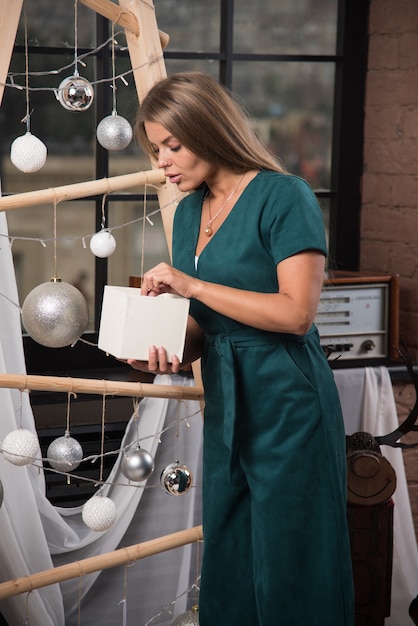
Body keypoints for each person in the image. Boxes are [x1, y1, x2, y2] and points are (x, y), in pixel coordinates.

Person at [128, 71, 354, 625]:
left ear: (207, 129)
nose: (163, 162)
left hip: (288, 399)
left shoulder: (284, 195)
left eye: (172, 146)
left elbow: (296, 314)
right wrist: (164, 347)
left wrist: (193, 285)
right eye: (156, 149)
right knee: (230, 550)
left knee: (291, 554)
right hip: (227, 398)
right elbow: (207, 327)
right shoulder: (186, 213)